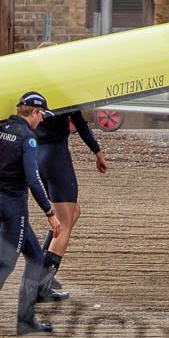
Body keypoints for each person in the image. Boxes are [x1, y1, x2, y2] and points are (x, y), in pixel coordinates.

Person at [0, 92, 66, 338]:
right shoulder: (27, 139)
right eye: (42, 115)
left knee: (35, 257)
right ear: (33, 112)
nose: (42, 121)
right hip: (13, 208)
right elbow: (33, 179)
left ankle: (26, 319)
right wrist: (50, 214)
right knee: (5, 264)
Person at [35, 106, 110, 302]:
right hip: (56, 158)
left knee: (74, 212)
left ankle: (41, 273)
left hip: (37, 155)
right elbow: (80, 122)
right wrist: (98, 152)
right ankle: (41, 285)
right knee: (64, 225)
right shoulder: (63, 90)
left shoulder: (34, 88)